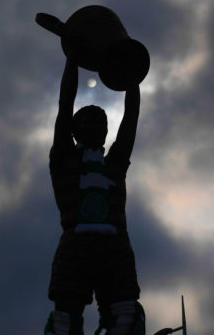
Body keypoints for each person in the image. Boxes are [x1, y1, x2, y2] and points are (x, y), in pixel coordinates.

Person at [44, 49, 144, 335]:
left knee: (126, 318)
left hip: (116, 247)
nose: (97, 126)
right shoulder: (64, 159)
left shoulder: (113, 165)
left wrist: (132, 78)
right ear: (75, 131)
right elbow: (65, 105)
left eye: (102, 122)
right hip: (76, 243)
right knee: (65, 321)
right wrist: (72, 56)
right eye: (89, 121)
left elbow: (131, 120)